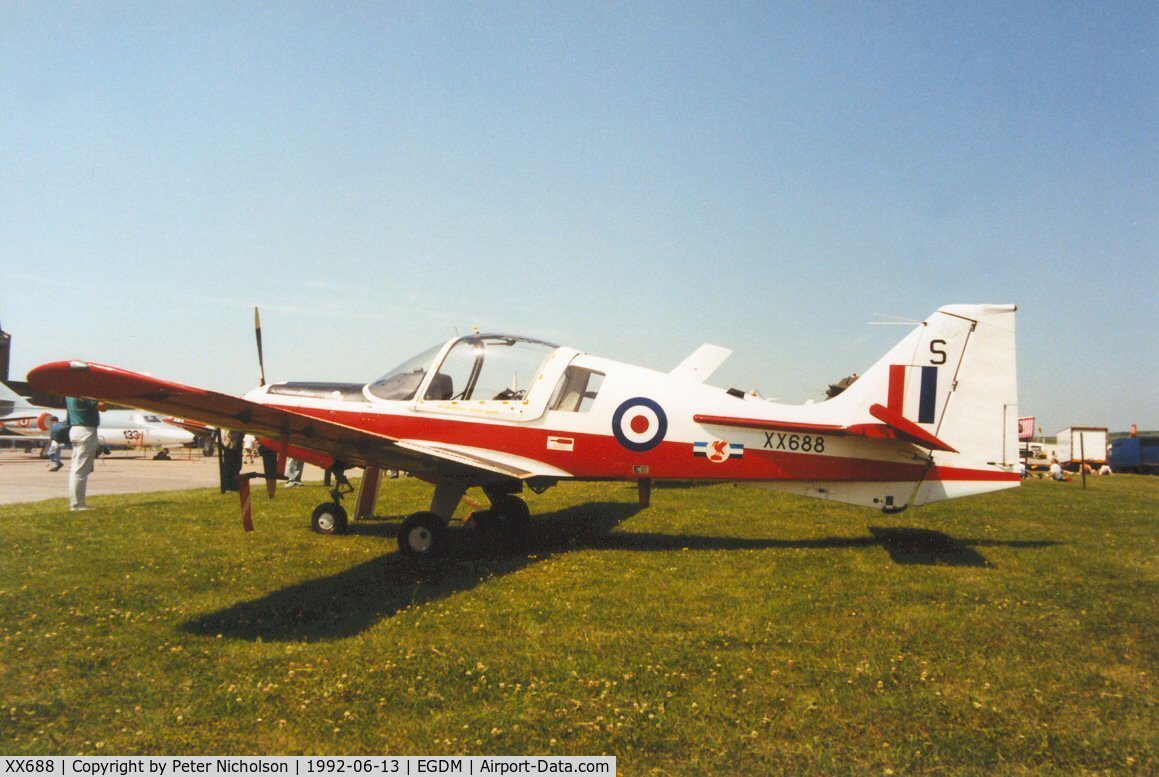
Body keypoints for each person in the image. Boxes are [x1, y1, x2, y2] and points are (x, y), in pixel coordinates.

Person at [66, 396, 103, 510]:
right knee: (80, 470)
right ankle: (78, 504)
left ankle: (76, 502)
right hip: (86, 430)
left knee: (76, 469)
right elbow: (103, 406)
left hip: (75, 429)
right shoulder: (83, 393)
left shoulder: (69, 394)